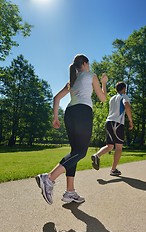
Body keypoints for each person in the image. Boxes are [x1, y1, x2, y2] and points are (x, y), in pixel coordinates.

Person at [35, 54, 108, 205]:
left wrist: (55, 118)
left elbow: (56, 98)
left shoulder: (72, 81)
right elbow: (103, 98)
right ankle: (48, 178)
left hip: (70, 113)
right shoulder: (91, 75)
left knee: (75, 152)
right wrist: (103, 83)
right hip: (83, 112)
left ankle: (70, 192)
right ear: (86, 63)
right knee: (81, 152)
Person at [91, 81, 133, 176]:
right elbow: (126, 105)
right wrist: (130, 121)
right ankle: (113, 170)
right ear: (124, 89)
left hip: (108, 122)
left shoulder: (112, 98)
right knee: (119, 147)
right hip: (117, 123)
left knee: (110, 146)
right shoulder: (124, 96)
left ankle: (96, 155)